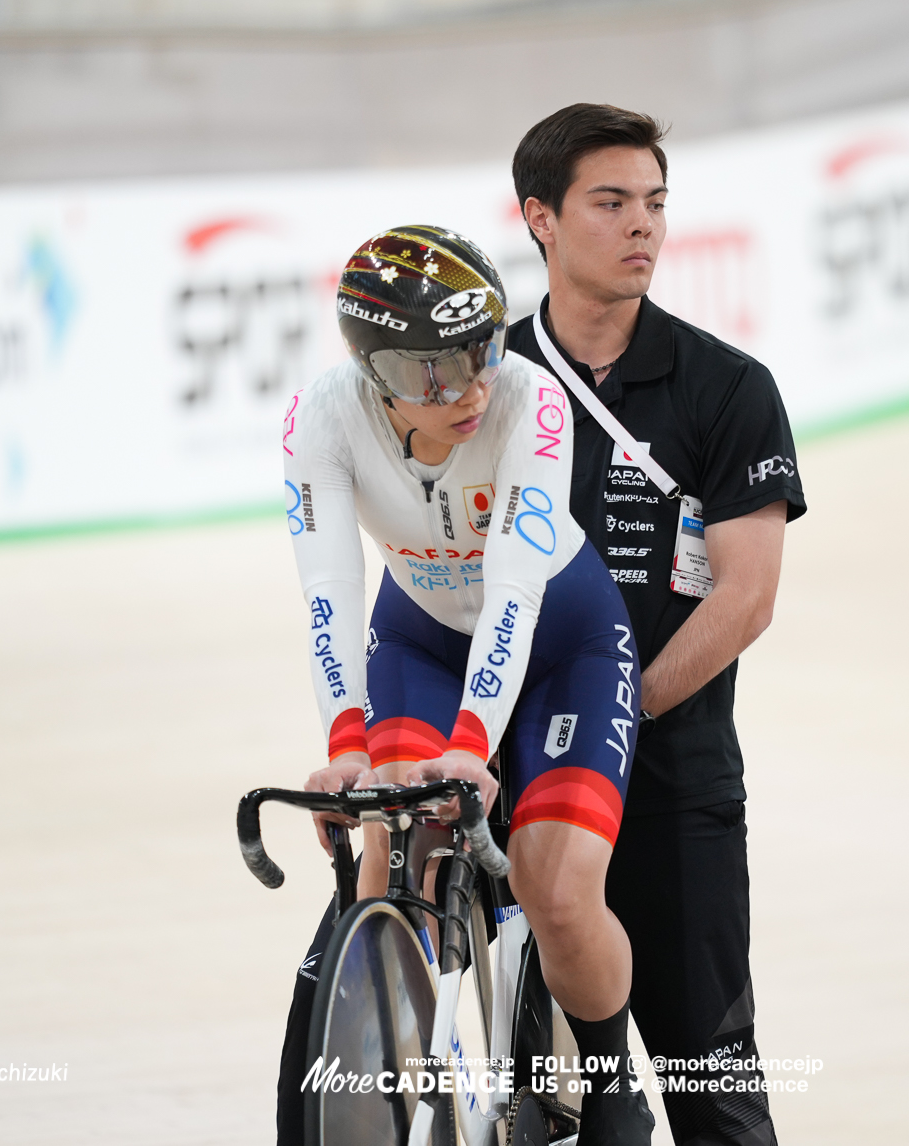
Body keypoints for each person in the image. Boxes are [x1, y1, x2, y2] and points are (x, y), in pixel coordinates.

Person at [277, 223, 655, 1144]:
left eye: (483, 352)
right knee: (386, 858)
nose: (474, 388)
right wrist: (346, 749)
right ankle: (407, 1090)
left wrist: (472, 742)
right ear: (380, 375)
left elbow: (516, 589)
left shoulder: (535, 405)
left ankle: (611, 1087)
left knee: (560, 893)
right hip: (421, 642)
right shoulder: (320, 418)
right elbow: (331, 590)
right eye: (437, 373)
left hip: (565, 640)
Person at [506, 103, 806, 1146]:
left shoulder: (727, 388)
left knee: (712, 1091)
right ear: (538, 217)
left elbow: (745, 595)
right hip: (518, 789)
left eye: (655, 203)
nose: (643, 225)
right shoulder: (488, 388)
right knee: (536, 1109)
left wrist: (612, 723)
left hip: (674, 786)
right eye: (611, 202)